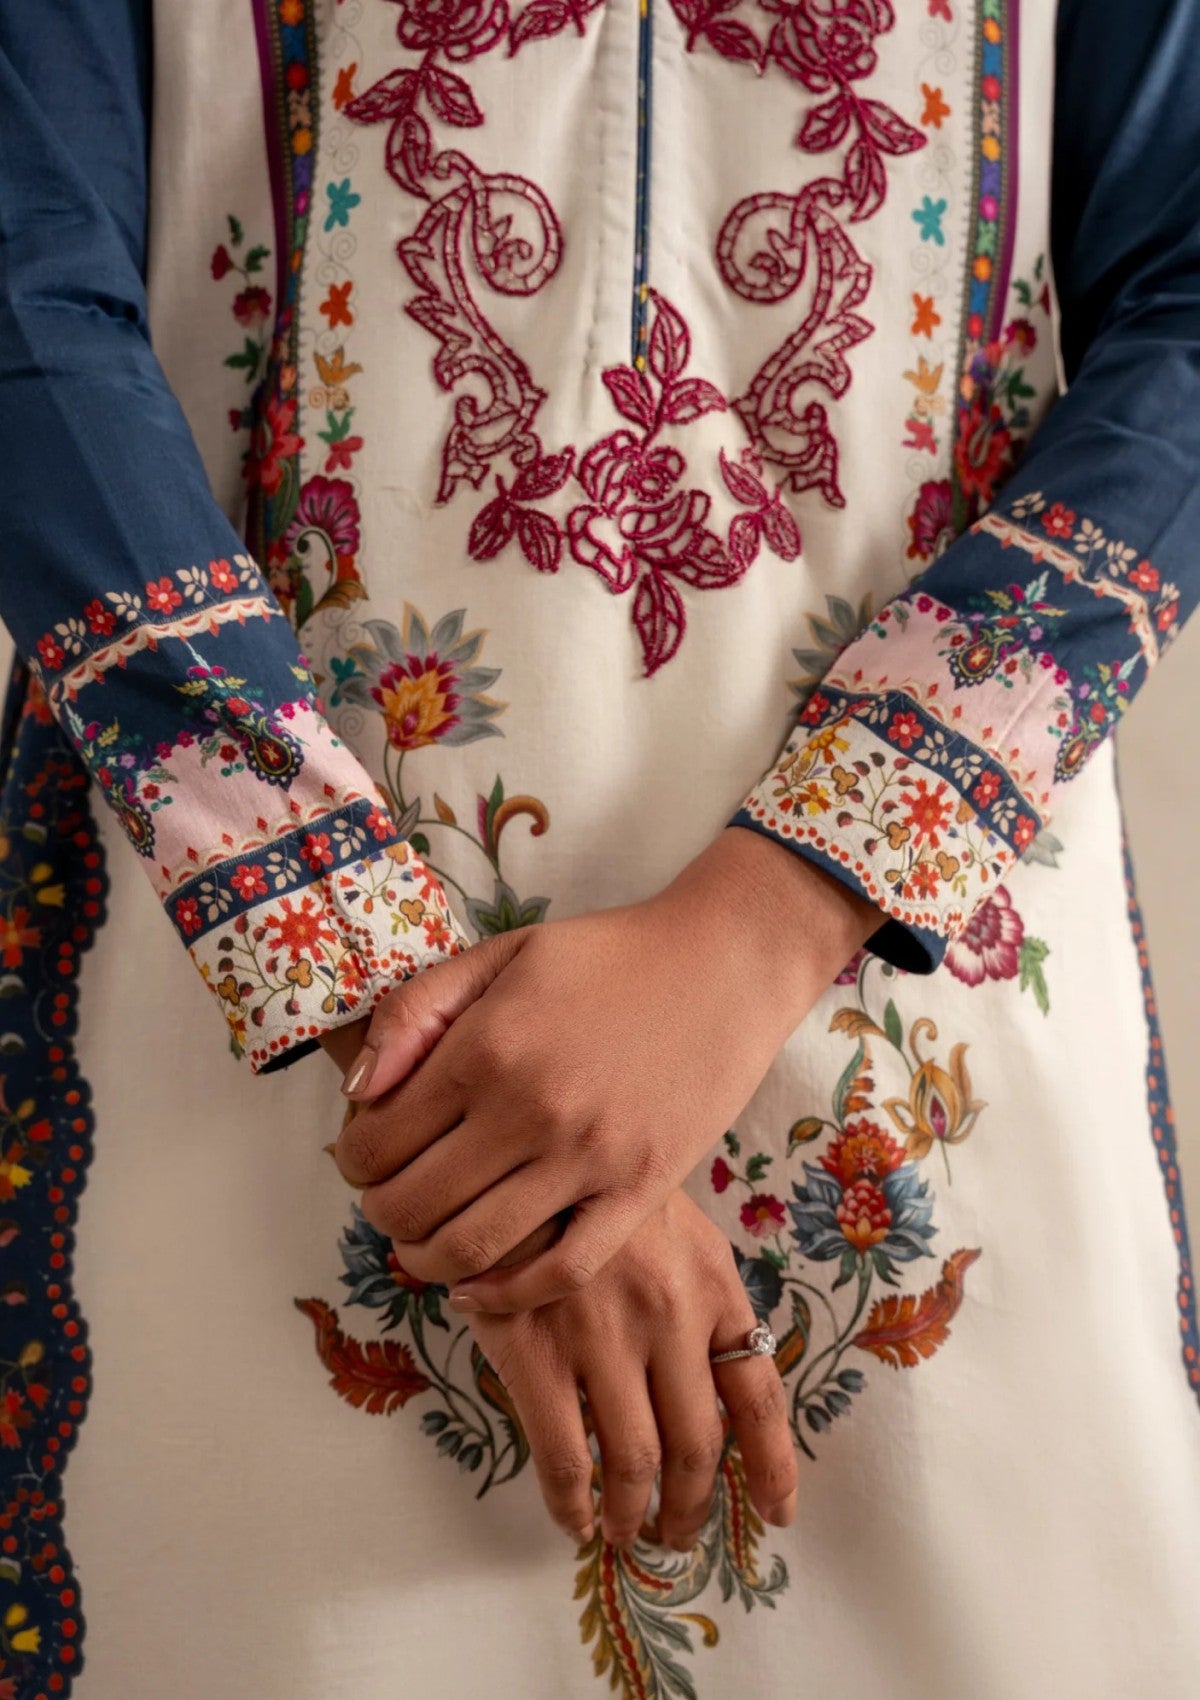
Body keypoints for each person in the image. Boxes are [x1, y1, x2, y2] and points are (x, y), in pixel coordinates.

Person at [0, 0, 1197, 1694]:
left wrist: (763, 926)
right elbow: (30, 304)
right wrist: (413, 1034)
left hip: (907, 1025)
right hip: (272, 1043)